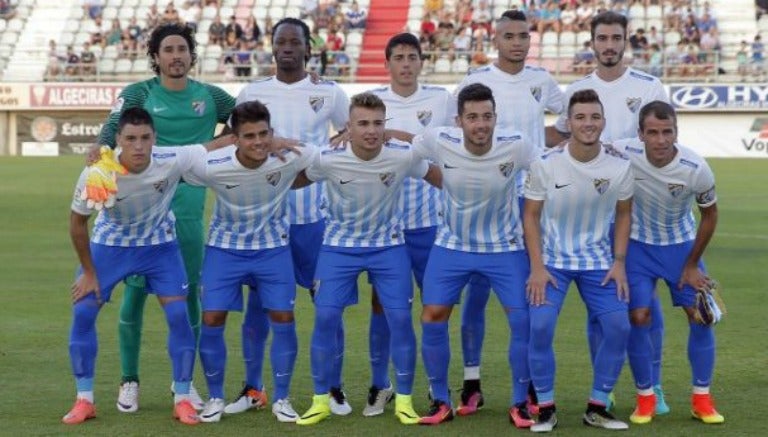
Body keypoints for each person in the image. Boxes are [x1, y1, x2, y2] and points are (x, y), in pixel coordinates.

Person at [95, 22, 236, 413]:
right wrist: (100, 147)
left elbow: (245, 121)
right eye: (168, 50)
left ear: (192, 55)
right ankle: (129, 380)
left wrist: (222, 146)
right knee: (135, 296)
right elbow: (113, 126)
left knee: (188, 295)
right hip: (142, 209)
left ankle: (184, 384)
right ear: (155, 57)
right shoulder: (141, 92)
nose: (176, 56)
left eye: (182, 49)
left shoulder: (210, 96)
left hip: (188, 209)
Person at [63, 107, 222, 426]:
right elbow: (78, 223)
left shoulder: (171, 159)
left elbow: (214, 145)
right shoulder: (99, 171)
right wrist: (90, 273)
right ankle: (84, 400)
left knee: (179, 315)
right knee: (83, 312)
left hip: (159, 247)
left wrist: (266, 140)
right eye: (131, 138)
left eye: (145, 138)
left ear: (155, 139)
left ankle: (182, 398)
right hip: (111, 247)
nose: (138, 145)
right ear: (118, 140)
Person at [546, 11, 670, 414]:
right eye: (603, 38)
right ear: (593, 42)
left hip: (643, 212)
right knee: (605, 310)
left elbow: (664, 139)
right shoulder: (579, 89)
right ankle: (608, 388)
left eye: (616, 37)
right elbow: (565, 139)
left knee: (645, 307)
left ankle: (653, 387)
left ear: (625, 41)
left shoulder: (650, 87)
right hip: (598, 215)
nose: (609, 45)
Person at [292, 92, 441, 426]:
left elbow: (438, 175)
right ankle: (321, 400)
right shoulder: (328, 157)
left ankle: (403, 399)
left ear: (385, 125)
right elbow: (294, 180)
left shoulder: (402, 156)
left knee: (401, 320)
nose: (371, 131)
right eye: (363, 124)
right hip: (338, 247)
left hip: (388, 247)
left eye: (377, 123)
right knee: (326, 318)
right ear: (349, 127)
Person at [231, 17, 351, 417]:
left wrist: (325, 156)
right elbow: (239, 144)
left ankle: (332, 387)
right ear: (272, 47)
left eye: (294, 42)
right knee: (259, 309)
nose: (286, 48)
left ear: (307, 47)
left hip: (318, 218)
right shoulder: (253, 91)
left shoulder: (329, 92)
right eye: (280, 41)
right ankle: (253, 387)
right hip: (268, 220)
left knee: (328, 305)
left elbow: (351, 134)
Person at [452, 11, 564, 422]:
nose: (517, 42)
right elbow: (456, 128)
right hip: (485, 202)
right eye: (509, 36)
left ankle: (532, 386)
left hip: (532, 201)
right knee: (476, 294)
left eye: (523, 36)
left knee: (531, 294)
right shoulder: (475, 80)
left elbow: (566, 124)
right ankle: (471, 381)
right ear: (495, 39)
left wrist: (544, 146)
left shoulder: (542, 81)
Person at [402, 83, 535, 426]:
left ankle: (520, 402)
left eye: (487, 116)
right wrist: (378, 133)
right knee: (431, 316)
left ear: (495, 118)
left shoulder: (516, 146)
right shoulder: (438, 139)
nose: (481, 124)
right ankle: (440, 401)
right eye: (472, 117)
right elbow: (407, 154)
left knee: (523, 321)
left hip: (504, 248)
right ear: (458, 120)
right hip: (452, 246)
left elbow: (551, 170)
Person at [187, 101, 314, 423]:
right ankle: (215, 397)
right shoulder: (214, 164)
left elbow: (322, 154)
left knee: (284, 317)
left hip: (272, 250)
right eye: (249, 136)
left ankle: (281, 399)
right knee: (213, 318)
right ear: (236, 138)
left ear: (271, 133)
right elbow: (178, 161)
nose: (258, 142)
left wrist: (281, 142)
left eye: (264, 134)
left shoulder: (287, 158)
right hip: (224, 249)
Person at [524, 89, 634, 432]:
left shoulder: (619, 166)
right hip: (552, 262)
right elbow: (530, 216)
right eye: (581, 117)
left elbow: (625, 214)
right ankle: (545, 407)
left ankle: (597, 406)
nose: (588, 124)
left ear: (603, 121)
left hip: (599, 261)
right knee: (539, 327)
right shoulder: (545, 163)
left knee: (619, 327)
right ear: (568, 123)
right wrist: (537, 267)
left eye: (595, 117)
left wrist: (619, 262)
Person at [362, 32, 456, 418]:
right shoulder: (373, 102)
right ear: (387, 63)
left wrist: (396, 136)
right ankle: (379, 384)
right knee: (383, 306)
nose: (405, 63)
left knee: (435, 309)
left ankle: (438, 390)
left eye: (411, 56)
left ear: (421, 61)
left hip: (433, 224)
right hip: (388, 227)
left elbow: (447, 147)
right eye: (398, 57)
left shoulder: (441, 99)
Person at [612, 101, 724, 425]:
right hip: (637, 248)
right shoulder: (622, 151)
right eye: (653, 133)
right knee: (639, 315)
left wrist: (692, 264)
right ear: (640, 135)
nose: (661, 140)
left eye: (668, 132)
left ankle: (701, 398)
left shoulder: (696, 167)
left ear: (676, 131)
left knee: (702, 317)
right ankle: (645, 397)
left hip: (681, 249)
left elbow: (710, 215)